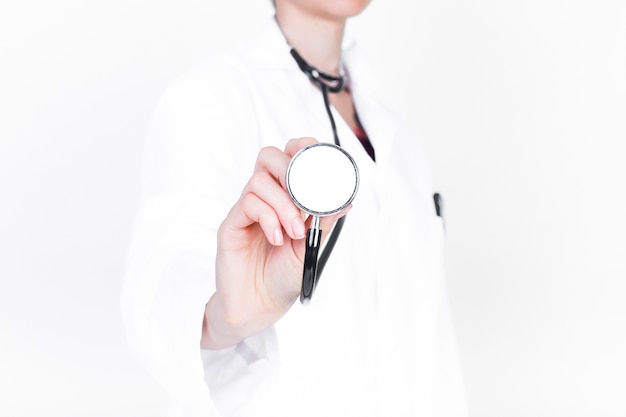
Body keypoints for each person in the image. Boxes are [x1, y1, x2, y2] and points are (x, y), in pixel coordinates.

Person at [121, 1, 467, 416]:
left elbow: (428, 344)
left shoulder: (400, 142)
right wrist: (227, 316)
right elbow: (164, 290)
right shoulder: (210, 98)